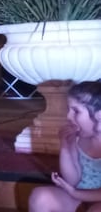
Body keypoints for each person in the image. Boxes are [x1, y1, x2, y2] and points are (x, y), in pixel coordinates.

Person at [29, 81, 101, 212]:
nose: (68, 116)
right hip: (77, 196)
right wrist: (65, 147)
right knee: (41, 197)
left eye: (76, 111)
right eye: (69, 110)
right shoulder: (78, 137)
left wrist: (75, 193)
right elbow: (72, 180)